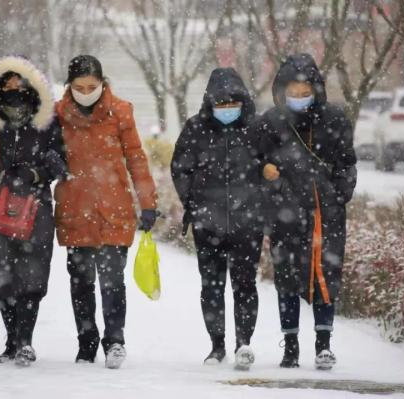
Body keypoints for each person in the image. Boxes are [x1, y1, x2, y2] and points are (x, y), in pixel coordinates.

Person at [54, 55, 158, 369]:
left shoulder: (120, 112)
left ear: (103, 82)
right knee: (81, 281)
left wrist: (148, 203)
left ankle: (115, 341)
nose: (86, 91)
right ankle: (86, 343)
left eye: (92, 86)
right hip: (76, 207)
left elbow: (136, 159)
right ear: (69, 86)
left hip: (115, 208)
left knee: (112, 281)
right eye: (79, 86)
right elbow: (44, 151)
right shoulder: (57, 115)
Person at [256, 53, 357, 370]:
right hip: (284, 213)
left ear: (317, 90)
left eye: (305, 93)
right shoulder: (269, 123)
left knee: (326, 275)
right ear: (281, 91)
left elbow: (347, 164)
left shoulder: (336, 120)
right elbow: (255, 163)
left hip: (326, 216)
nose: (299, 99)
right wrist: (267, 173)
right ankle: (291, 346)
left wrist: (338, 195)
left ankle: (324, 345)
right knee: (286, 279)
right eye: (293, 93)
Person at [0, 56, 67, 367]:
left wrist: (34, 175)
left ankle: (25, 341)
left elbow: (59, 161)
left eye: (19, 81)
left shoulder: (47, 122)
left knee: (32, 277)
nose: (14, 88)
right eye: (7, 82)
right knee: (2, 278)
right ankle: (12, 340)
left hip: (35, 207)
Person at [171, 68, 264, 370]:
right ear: (210, 103)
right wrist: (194, 202)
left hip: (247, 222)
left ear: (243, 102)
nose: (227, 109)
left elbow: (271, 169)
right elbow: (180, 168)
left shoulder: (256, 130)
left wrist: (258, 201)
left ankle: (244, 343)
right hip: (207, 223)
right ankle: (217, 345)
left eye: (232, 103)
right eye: (220, 104)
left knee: (245, 284)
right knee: (211, 285)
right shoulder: (196, 128)